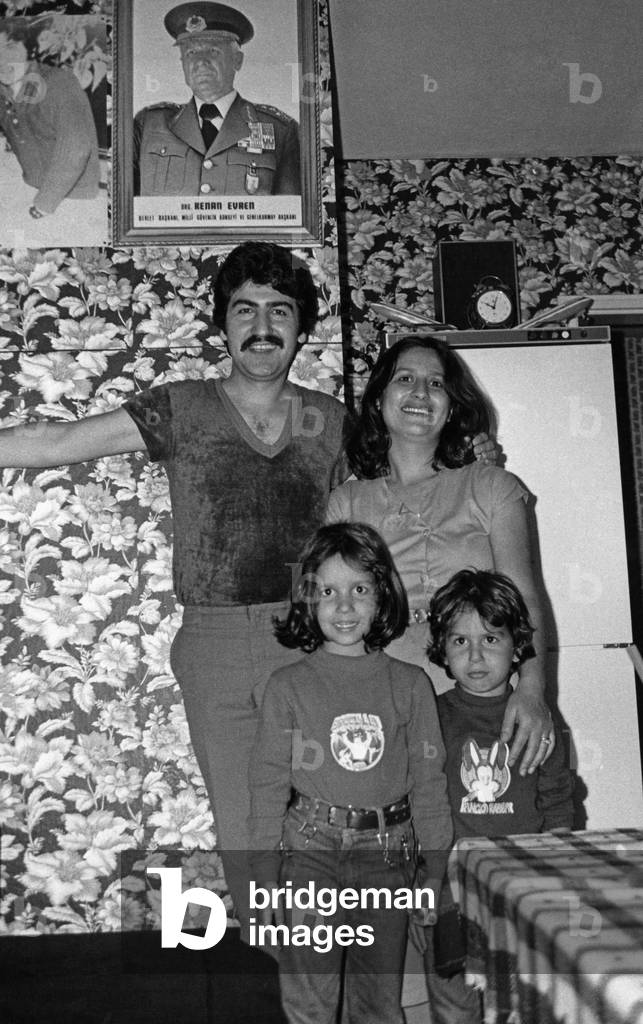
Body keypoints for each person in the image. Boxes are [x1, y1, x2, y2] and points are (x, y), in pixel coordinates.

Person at [248, 522, 453, 1024]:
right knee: (310, 1003)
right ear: (307, 600)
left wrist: (433, 873)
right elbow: (267, 784)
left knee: (378, 1005)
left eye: (359, 590)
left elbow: (430, 785)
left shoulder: (411, 685)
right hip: (309, 852)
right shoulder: (286, 686)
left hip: (388, 854)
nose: (343, 606)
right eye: (327, 592)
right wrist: (265, 877)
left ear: (382, 598)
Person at [326, 334, 554, 776]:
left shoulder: (492, 487)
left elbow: (524, 596)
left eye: (435, 383)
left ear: (451, 407)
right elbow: (334, 614)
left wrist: (532, 688)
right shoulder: (345, 502)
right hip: (380, 691)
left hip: (477, 685)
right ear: (378, 399)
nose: (419, 393)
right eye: (404, 379)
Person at [421, 568, 574, 1024]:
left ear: (517, 646)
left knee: (524, 1006)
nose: (475, 655)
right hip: (451, 894)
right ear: (442, 648)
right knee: (455, 1009)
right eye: (460, 641)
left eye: (490, 639)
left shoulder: (538, 720)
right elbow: (418, 803)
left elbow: (558, 803)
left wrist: (553, 879)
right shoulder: (430, 717)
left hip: (521, 892)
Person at [133, 2, 300, 197]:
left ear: (237, 60)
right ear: (182, 63)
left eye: (213, 51)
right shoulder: (148, 125)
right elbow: (123, 205)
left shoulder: (281, 131)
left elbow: (292, 212)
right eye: (191, 53)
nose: (200, 61)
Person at [0, 28, 100, 218]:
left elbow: (76, 149)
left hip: (72, 197)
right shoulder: (4, 90)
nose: (2, 60)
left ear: (29, 49)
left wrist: (44, 203)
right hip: (31, 186)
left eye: (9, 47)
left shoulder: (59, 83)